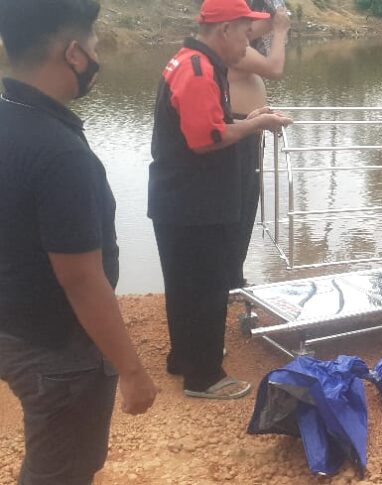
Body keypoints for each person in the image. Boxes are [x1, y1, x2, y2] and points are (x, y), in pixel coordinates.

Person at [0, 0, 158, 482]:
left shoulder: (9, 118)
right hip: (60, 348)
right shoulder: (62, 155)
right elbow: (81, 279)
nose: (95, 56)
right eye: (92, 46)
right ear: (72, 54)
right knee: (61, 470)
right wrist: (130, 369)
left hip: (14, 325)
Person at [148, 0, 292, 400]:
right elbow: (206, 139)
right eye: (246, 35)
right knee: (208, 284)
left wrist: (245, 120)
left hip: (180, 197)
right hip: (195, 200)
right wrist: (258, 124)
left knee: (185, 284)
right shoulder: (197, 70)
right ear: (225, 29)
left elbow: (207, 123)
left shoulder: (192, 61)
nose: (247, 45)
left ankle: (186, 357)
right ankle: (205, 376)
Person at [228, 0, 291, 289]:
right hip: (237, 135)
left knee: (246, 206)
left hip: (249, 131)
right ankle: (228, 279)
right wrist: (279, 29)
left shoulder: (242, 46)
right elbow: (275, 68)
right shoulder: (233, 51)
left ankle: (232, 276)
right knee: (237, 207)